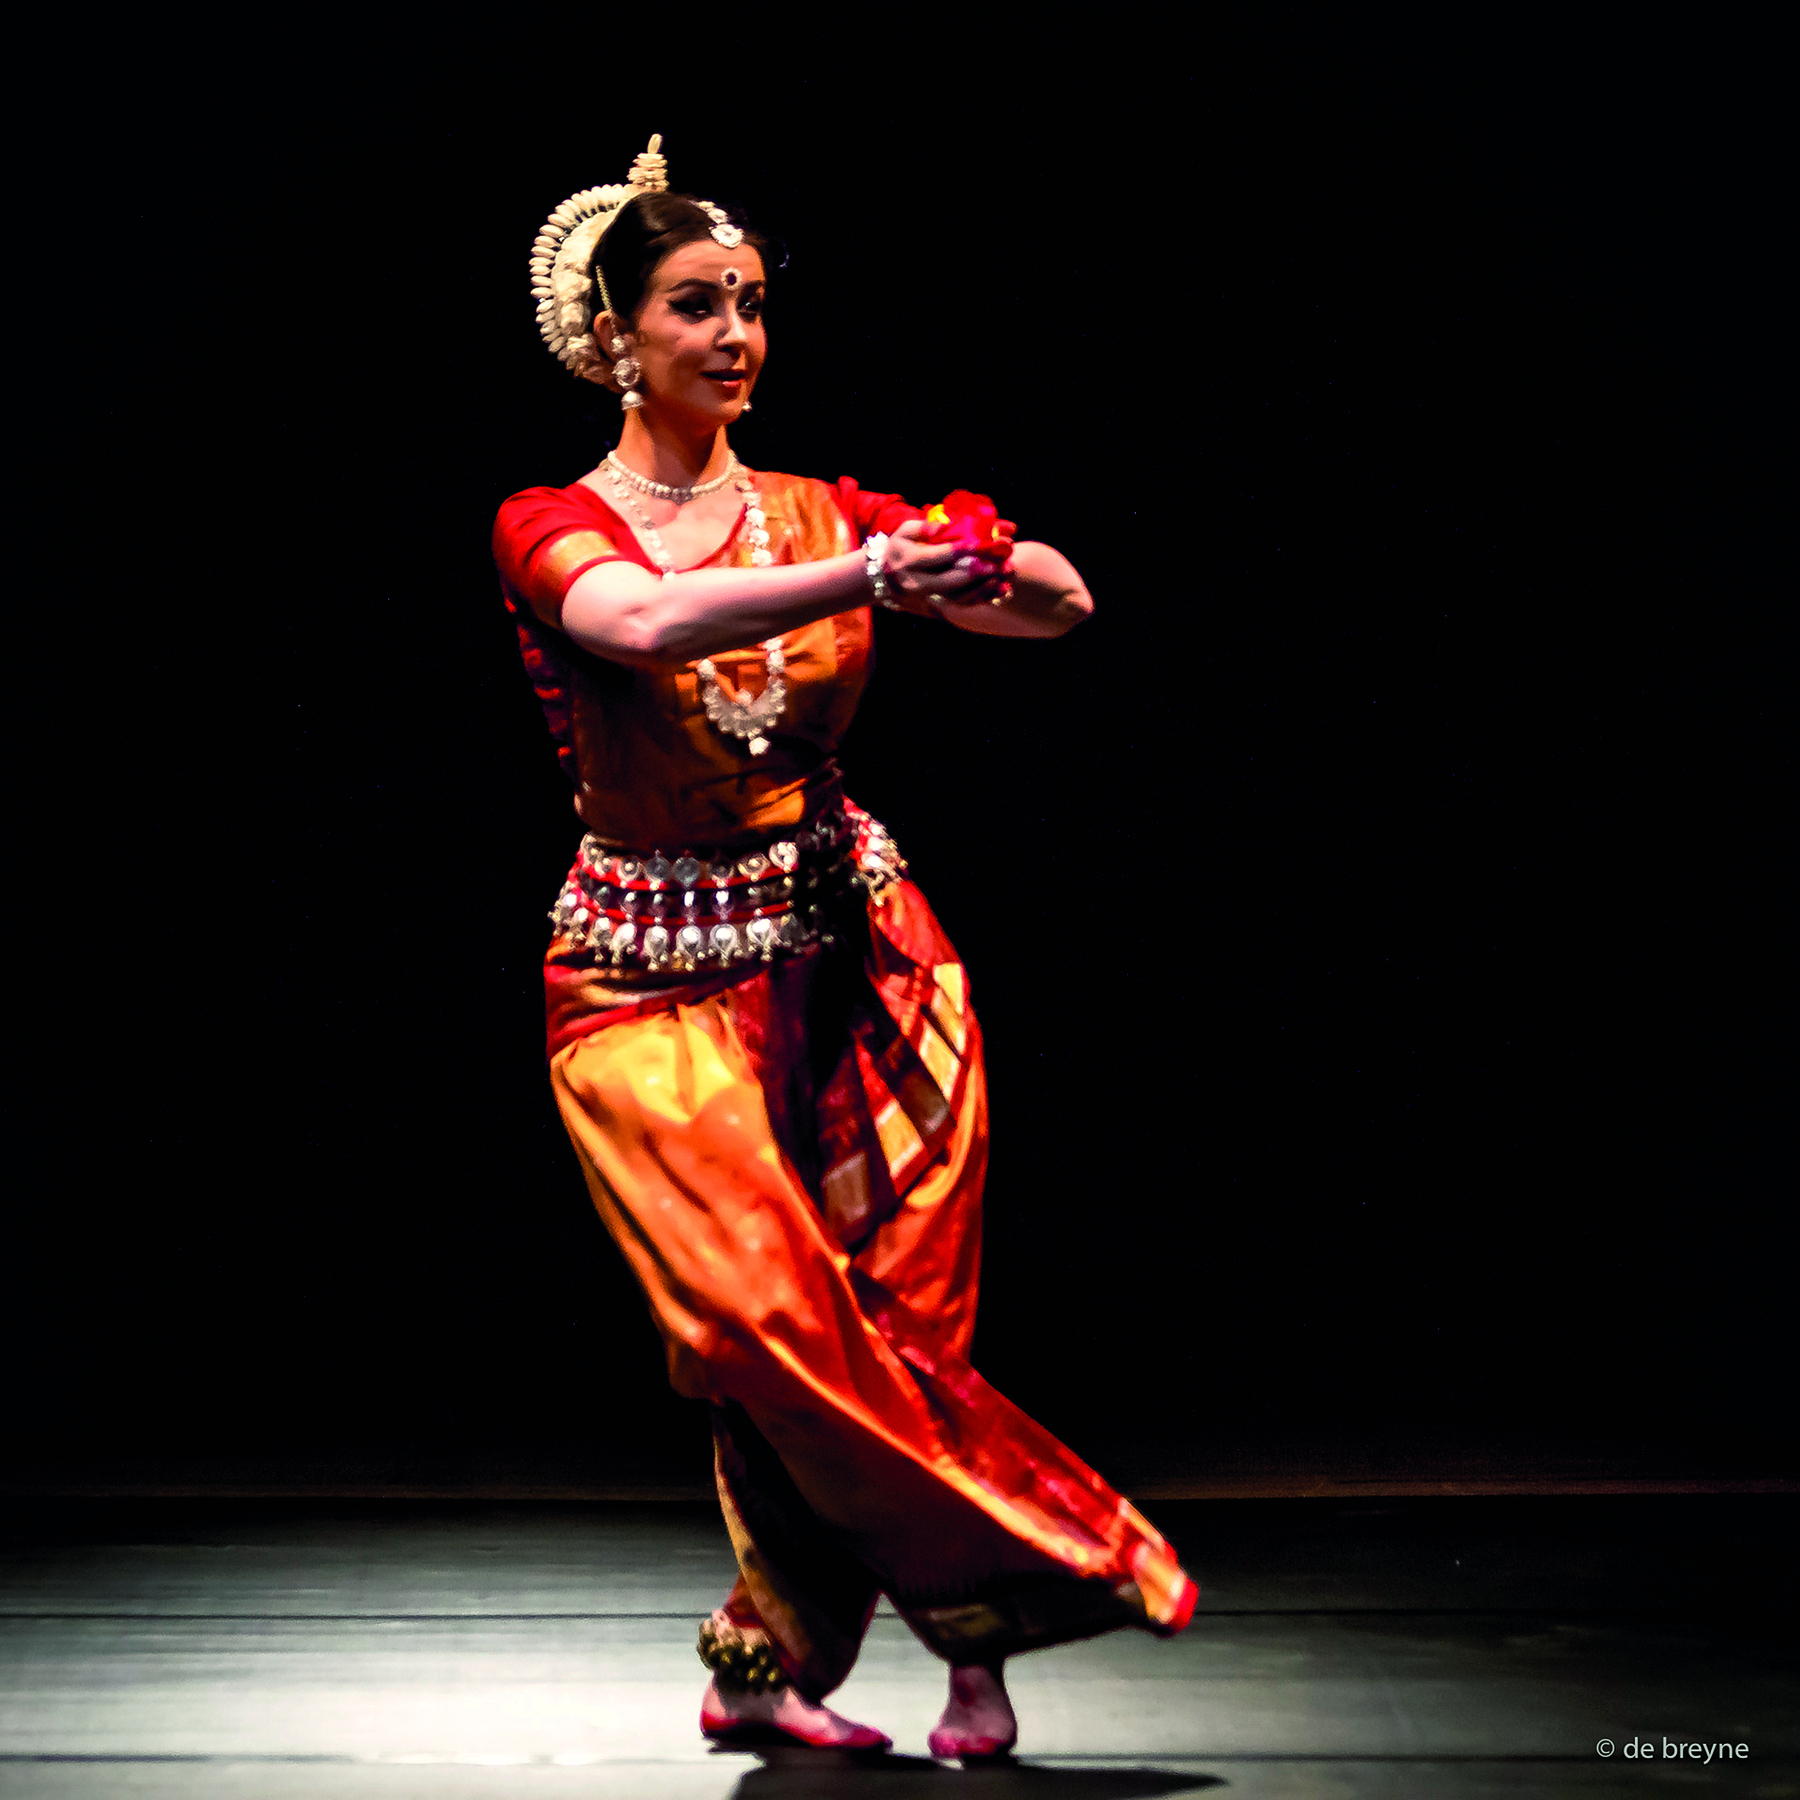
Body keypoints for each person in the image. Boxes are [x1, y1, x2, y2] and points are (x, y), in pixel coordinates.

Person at [492, 136, 1197, 1761]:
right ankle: (1039, 1567)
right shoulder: (547, 520)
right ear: (615, 335)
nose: (734, 332)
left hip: (865, 952)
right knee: (763, 1322)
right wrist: (875, 570)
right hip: (643, 982)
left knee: (899, 1318)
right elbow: (639, 625)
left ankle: (896, 1670)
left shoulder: (820, 505)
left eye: (747, 302)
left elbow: (1066, 608)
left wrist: (966, 568)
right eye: (693, 306)